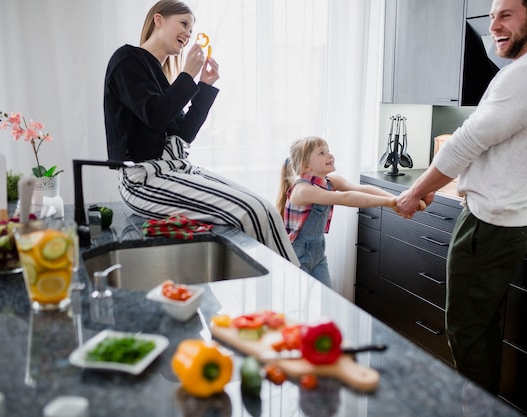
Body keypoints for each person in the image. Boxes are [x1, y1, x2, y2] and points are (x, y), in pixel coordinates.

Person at [395, 0, 527, 395]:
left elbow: (466, 142)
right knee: (484, 327)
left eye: (506, 15)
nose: (494, 26)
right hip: (511, 221)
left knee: (466, 331)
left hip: (490, 224)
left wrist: (415, 192)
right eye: (491, 16)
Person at [103, 0, 299, 265]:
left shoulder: (161, 78)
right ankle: (282, 290)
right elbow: (154, 114)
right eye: (183, 23)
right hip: (143, 180)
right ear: (158, 20)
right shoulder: (127, 60)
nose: (188, 33)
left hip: (175, 170)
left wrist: (204, 86)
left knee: (263, 207)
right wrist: (187, 75)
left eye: (192, 29)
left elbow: (184, 133)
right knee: (250, 212)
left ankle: (283, 289)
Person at [277, 136, 417, 288]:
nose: (330, 155)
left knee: (326, 300)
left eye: (328, 150)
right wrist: (390, 203)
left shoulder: (330, 181)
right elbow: (346, 198)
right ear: (306, 167)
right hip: (297, 255)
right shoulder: (302, 190)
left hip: (318, 253)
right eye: (321, 153)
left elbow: (362, 189)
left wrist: (399, 200)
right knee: (297, 303)